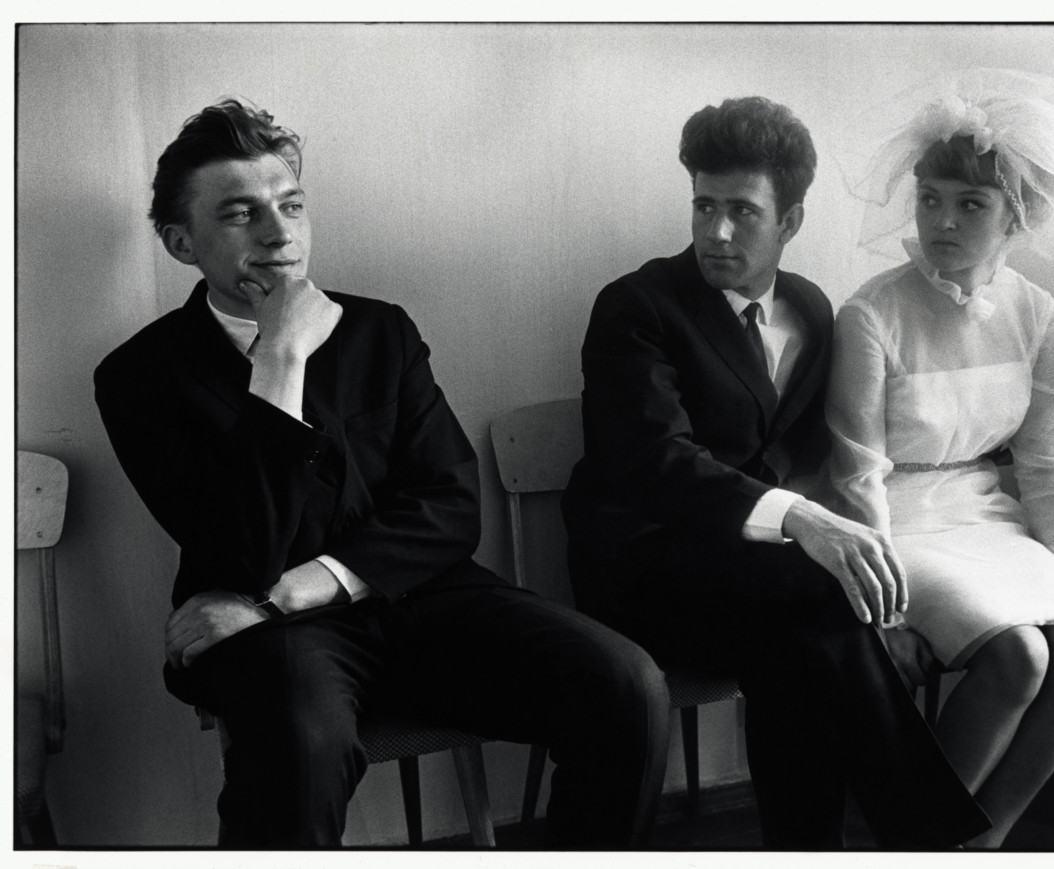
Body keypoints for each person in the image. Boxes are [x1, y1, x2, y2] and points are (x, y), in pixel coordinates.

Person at [95, 99, 670, 848]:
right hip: (276, 641)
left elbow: (451, 506)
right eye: (240, 214)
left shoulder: (380, 330)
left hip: (406, 599)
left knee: (626, 684)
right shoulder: (139, 376)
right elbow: (241, 550)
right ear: (182, 242)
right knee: (300, 744)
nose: (279, 233)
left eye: (291, 206)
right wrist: (281, 360)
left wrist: (286, 594)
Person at [562, 95, 989, 849]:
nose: (716, 232)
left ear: (790, 221)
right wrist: (801, 521)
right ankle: (925, 839)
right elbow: (653, 461)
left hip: (759, 583)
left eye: (743, 212)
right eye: (704, 206)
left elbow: (818, 452)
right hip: (644, 569)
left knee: (797, 645)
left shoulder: (812, 310)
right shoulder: (637, 306)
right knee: (816, 602)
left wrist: (861, 558)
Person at [826, 70, 1054, 848]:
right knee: (1017, 655)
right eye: (930, 198)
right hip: (902, 523)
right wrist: (885, 611)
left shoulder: (1035, 311)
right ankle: (911, 839)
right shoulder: (871, 312)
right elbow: (856, 471)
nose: (943, 220)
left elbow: (1043, 455)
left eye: (971, 204)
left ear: (1019, 217)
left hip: (986, 511)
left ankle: (982, 840)